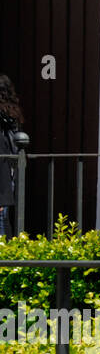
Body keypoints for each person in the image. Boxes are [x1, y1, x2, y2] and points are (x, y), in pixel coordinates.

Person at [0, 74, 23, 238]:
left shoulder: (4, 120)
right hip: (8, 177)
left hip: (3, 177)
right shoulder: (11, 116)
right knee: (3, 217)